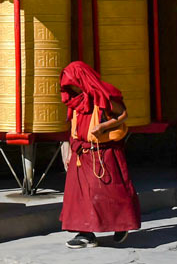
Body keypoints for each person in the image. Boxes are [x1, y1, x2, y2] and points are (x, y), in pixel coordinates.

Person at [59, 60, 141, 248]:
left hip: (103, 154)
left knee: (110, 193)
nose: (72, 89)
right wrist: (68, 149)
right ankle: (85, 234)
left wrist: (103, 126)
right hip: (81, 153)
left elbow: (123, 114)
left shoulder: (103, 95)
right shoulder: (75, 100)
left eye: (73, 85)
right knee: (79, 197)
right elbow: (71, 125)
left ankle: (121, 224)